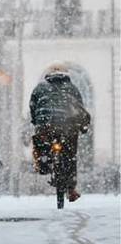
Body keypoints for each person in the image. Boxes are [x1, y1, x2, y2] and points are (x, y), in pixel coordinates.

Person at [30, 63, 91, 203]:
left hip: (45, 127)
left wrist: (36, 123)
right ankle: (71, 189)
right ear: (66, 74)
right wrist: (82, 126)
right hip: (67, 128)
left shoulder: (40, 87)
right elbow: (80, 109)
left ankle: (43, 163)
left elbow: (32, 107)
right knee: (70, 156)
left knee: (40, 144)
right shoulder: (71, 88)